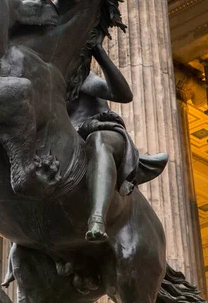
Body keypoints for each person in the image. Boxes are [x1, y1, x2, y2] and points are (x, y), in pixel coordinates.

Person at [67, 39, 168, 243]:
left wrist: (99, 53)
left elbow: (122, 94)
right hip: (72, 143)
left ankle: (97, 219)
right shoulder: (44, 82)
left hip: (104, 132)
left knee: (99, 141)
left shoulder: (79, 76)